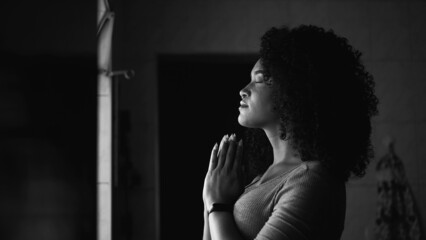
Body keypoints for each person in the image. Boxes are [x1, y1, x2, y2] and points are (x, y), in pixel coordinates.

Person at [202, 24, 379, 240]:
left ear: (295, 92)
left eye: (259, 79)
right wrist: (210, 205)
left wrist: (217, 205)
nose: (243, 90)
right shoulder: (261, 177)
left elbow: (218, 211)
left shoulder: (311, 179)